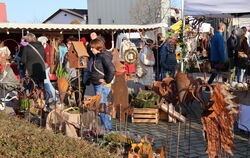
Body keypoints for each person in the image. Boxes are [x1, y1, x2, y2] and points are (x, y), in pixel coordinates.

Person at [90, 38, 115, 131]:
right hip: (98, 85)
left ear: (98, 47)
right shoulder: (98, 55)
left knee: (102, 107)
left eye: (92, 47)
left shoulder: (103, 56)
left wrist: (107, 80)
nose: (91, 49)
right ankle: (106, 128)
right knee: (102, 107)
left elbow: (112, 69)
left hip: (102, 86)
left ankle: (107, 129)